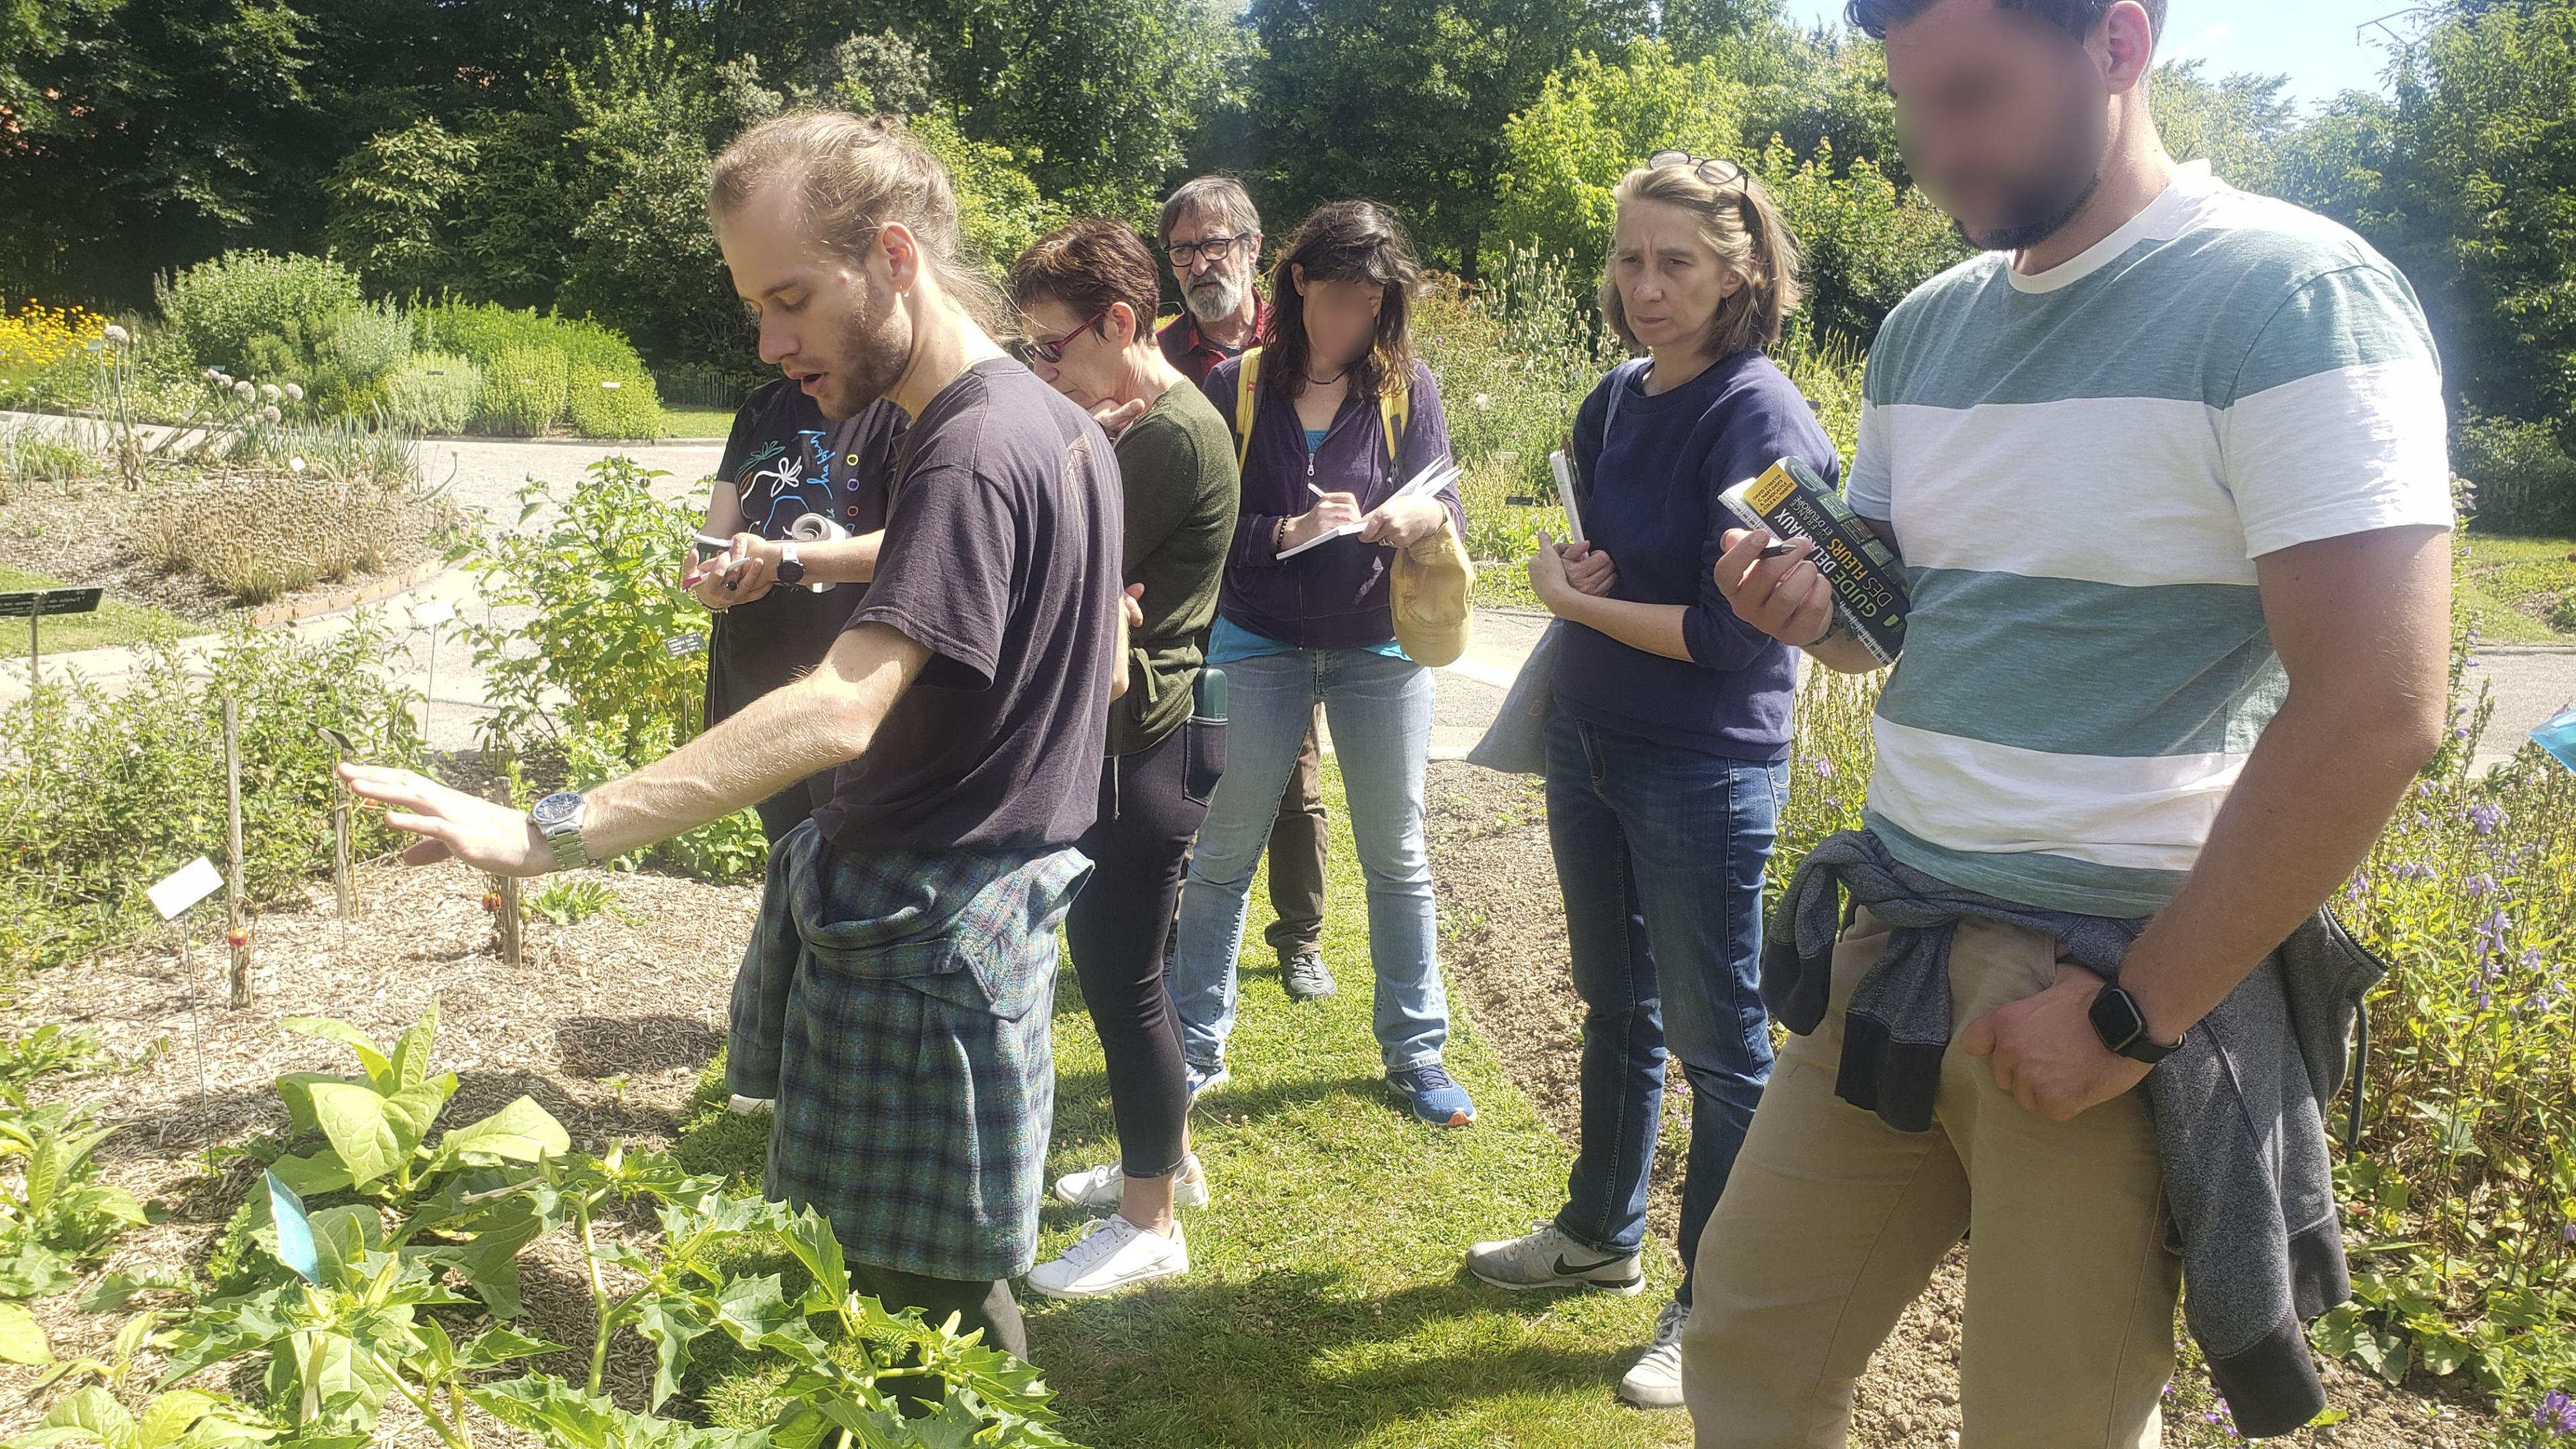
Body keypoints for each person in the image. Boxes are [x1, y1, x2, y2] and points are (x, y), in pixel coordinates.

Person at [1688, 1, 2453, 1443]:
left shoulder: (2294, 296)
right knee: (1746, 1348)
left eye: (1975, 96)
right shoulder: (1930, 327)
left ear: (2119, 42)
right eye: (1914, 103)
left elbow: (2379, 708)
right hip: (1893, 943)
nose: (1938, 150)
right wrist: (1813, 610)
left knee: (2052, 1426)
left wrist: (2132, 1015)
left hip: (2107, 979)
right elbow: (1899, 630)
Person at [337, 109, 1130, 1361]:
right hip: (976, 923)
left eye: (793, 299)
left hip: (925, 950)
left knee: (919, 1318)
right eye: (756, 308)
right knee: (919, 1300)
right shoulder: (1056, 425)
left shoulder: (970, 447)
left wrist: (550, 829)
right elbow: (1110, 661)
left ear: (895, 256)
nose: (771, 343)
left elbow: (841, 704)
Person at [1464, 154, 1831, 1411]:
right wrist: (1585, 569)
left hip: (1703, 766)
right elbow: (1629, 570)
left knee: (1726, 1051)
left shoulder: (1761, 419)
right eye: (1628, 258)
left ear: (1739, 273)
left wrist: (1569, 605)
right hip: (1591, 740)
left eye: (1676, 261)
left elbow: (1740, 639)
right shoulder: (1615, 398)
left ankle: (1711, 1304)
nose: (1645, 286)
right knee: (1618, 1009)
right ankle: (1598, 1237)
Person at [1168, 200, 1476, 1126]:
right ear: (1299, 281)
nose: (1353, 322)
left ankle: (1417, 1055)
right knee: (1221, 854)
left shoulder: (1406, 387)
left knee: (1399, 858)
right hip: (1256, 642)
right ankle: (1191, 1048)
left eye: (1372, 306)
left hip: (1378, 649)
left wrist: (1420, 517)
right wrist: (1280, 533)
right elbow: (1202, 525)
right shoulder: (1235, 384)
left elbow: (1444, 495)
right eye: (1339, 299)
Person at [1006, 219, 1240, 1297]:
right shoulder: (1146, 421)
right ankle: (1168, 1158)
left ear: (1119, 325)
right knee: (1119, 972)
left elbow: (1036, 559)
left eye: (1050, 349)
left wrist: (1080, 450)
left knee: (1124, 976)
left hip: (1147, 738)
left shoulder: (1171, 436)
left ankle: (1151, 1221)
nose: (1040, 370)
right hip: (1145, 731)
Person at [1157, 174, 1335, 1005]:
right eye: (1184, 249)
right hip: (1182, 593)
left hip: (1280, 593)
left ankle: (1299, 939)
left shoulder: (1306, 340)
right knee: (1170, 759)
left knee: (1295, 776)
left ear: (1255, 251)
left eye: (1215, 244)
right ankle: (1168, 922)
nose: (1199, 263)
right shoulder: (1155, 353)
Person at [688, 376, 904, 846]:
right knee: (786, 854)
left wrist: (784, 560)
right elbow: (716, 536)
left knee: (849, 862)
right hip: (759, 678)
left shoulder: (897, 407)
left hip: (852, 683)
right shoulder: (761, 407)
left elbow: (917, 541)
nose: (774, 345)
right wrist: (711, 586)